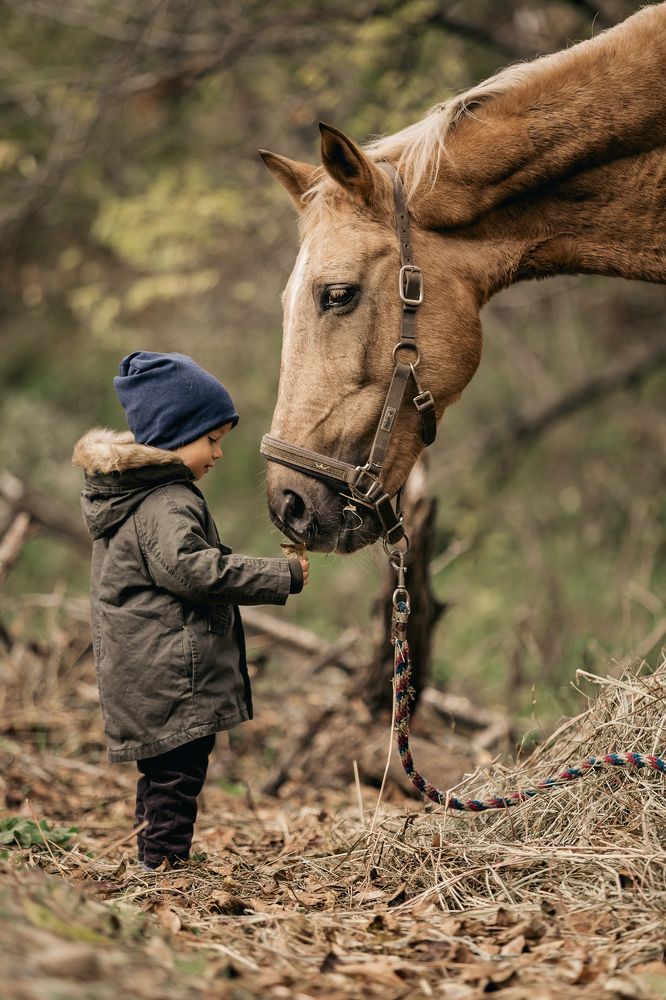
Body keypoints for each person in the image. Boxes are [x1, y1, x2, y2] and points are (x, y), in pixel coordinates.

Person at [72, 351, 309, 870]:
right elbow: (196, 571)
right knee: (177, 777)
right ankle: (163, 865)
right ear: (173, 436)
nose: (218, 454)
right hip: (169, 675)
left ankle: (154, 859)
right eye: (212, 440)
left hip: (149, 671)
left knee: (164, 775)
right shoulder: (166, 502)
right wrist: (280, 575)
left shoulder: (138, 498)